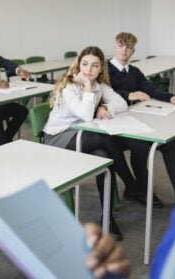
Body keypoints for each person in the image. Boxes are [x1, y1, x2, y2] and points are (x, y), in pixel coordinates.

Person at [42, 46, 140, 241]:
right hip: (58, 137)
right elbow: (86, 114)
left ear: (101, 68)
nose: (89, 70)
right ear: (79, 64)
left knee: (106, 158)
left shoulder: (100, 86)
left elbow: (121, 103)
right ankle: (133, 186)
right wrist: (87, 85)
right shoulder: (70, 85)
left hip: (83, 135)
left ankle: (108, 218)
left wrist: (104, 106)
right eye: (85, 64)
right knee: (105, 138)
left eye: (95, 66)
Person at [108, 32, 175, 207]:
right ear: (115, 46)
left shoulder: (134, 71)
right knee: (141, 145)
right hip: (114, 124)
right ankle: (141, 190)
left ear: (133, 51)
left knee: (169, 143)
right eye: (121, 45)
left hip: (135, 119)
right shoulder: (105, 70)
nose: (124, 50)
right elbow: (106, 93)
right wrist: (129, 95)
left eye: (129, 47)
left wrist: (170, 97)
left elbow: (150, 88)